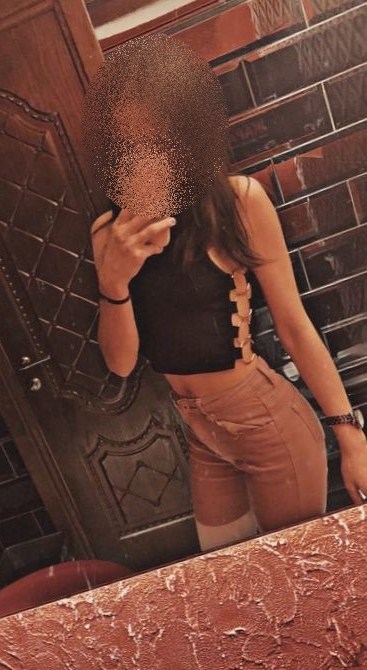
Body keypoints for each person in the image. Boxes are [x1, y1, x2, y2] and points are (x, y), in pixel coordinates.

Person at [90, 162, 367, 553]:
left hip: (268, 426)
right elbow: (120, 363)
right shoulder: (108, 232)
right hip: (203, 432)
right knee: (225, 572)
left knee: (293, 571)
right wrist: (113, 281)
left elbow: (294, 326)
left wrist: (351, 437)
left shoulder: (235, 200)